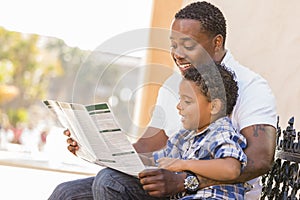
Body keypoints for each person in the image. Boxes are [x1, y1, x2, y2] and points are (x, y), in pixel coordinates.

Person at [49, 1, 277, 199]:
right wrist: (95, 147)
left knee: (110, 183)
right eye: (174, 45)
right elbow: (148, 146)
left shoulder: (251, 87)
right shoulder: (174, 84)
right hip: (169, 186)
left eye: (188, 45)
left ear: (217, 43)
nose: (177, 54)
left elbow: (260, 160)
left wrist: (185, 180)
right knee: (66, 194)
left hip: (214, 193)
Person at [153, 64, 248, 199]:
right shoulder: (182, 137)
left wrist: (184, 164)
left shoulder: (220, 132)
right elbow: (157, 161)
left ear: (214, 106)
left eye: (187, 101)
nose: (179, 106)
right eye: (180, 99)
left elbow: (231, 169)